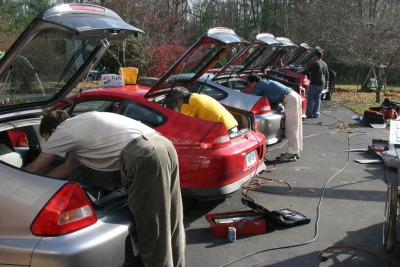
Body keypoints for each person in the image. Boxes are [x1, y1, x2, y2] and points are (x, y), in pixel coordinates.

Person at [24, 110, 185, 267]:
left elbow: (41, 162)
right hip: (163, 145)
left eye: (46, 139)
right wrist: (44, 182)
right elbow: (67, 168)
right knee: (172, 217)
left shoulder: (62, 131)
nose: (49, 143)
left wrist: (21, 181)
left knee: (151, 224)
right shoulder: (81, 124)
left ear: (53, 131)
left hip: (143, 155)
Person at [247, 75, 303, 162]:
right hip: (293, 96)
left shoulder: (260, 85)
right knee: (296, 126)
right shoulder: (266, 82)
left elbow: (251, 98)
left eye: (250, 84)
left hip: (290, 99)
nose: (251, 86)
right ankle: (296, 151)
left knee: (291, 127)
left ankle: (292, 153)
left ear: (253, 82)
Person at [166, 87, 239, 134]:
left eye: (175, 104)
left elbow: (183, 123)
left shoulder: (188, 103)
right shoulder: (197, 96)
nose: (177, 107)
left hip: (225, 131)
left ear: (179, 100)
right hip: (232, 126)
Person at [301, 50, 329, 118]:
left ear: (316, 56)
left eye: (314, 55)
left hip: (314, 83)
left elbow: (307, 71)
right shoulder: (324, 64)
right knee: (317, 98)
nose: (313, 57)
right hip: (321, 83)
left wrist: (300, 72)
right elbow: (327, 74)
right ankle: (316, 113)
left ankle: (309, 113)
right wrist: (327, 84)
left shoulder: (315, 63)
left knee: (310, 97)